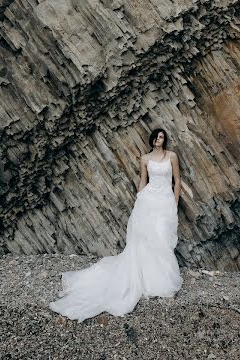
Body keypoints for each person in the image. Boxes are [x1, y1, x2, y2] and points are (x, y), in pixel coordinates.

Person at [49, 128, 183, 322]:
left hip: (165, 201)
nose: (158, 139)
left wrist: (175, 203)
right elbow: (143, 181)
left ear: (165, 140)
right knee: (145, 239)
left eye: (161, 137)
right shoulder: (145, 159)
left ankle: (160, 279)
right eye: (156, 137)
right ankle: (149, 279)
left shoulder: (172, 156)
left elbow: (177, 181)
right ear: (152, 140)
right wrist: (139, 201)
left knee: (161, 237)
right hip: (149, 200)